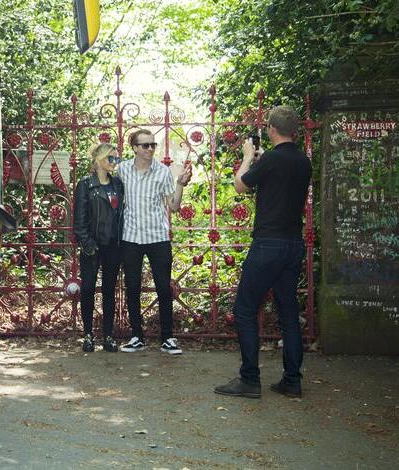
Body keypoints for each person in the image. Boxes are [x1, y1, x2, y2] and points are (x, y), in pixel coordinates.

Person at [214, 106, 312, 399]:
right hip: (293, 244)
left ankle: (249, 379)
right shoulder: (303, 162)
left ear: (270, 129)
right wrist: (258, 163)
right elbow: (276, 186)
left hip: (268, 243)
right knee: (288, 312)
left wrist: (247, 158)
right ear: (294, 130)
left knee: (244, 309)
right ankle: (292, 380)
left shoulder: (270, 158)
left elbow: (241, 186)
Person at [116, 129, 192, 354]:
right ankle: (136, 336)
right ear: (135, 148)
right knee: (132, 288)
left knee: (163, 288)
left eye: (153, 145)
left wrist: (180, 184)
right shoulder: (122, 170)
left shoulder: (163, 172)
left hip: (157, 237)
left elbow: (174, 206)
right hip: (130, 237)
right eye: (145, 145)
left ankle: (168, 338)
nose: (150, 149)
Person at [73, 143, 124, 353]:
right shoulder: (86, 185)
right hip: (92, 245)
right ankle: (87, 334)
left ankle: (109, 335)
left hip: (113, 244)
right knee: (87, 289)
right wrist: (87, 243)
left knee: (109, 290)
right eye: (111, 158)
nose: (115, 162)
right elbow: (79, 219)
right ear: (100, 160)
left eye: (117, 159)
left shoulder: (118, 184)